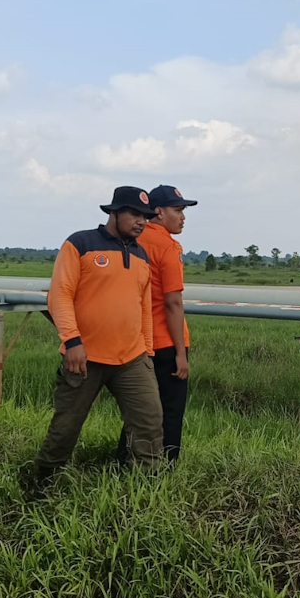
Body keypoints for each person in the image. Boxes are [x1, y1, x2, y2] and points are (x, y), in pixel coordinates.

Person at [26, 186, 164, 494]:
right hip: (85, 357)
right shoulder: (81, 244)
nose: (141, 222)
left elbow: (143, 307)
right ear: (113, 212)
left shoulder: (141, 255)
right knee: (66, 426)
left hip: (132, 358)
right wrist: (72, 342)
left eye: (146, 216)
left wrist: (148, 352)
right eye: (134, 214)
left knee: (149, 422)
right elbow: (59, 294)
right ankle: (43, 483)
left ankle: (147, 489)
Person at [117, 184, 197, 464]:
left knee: (138, 409)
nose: (183, 216)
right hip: (166, 343)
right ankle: (166, 467)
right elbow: (173, 302)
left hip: (137, 341)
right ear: (159, 213)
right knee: (170, 412)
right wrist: (180, 353)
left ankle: (124, 462)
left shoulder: (132, 242)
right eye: (178, 210)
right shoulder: (167, 246)